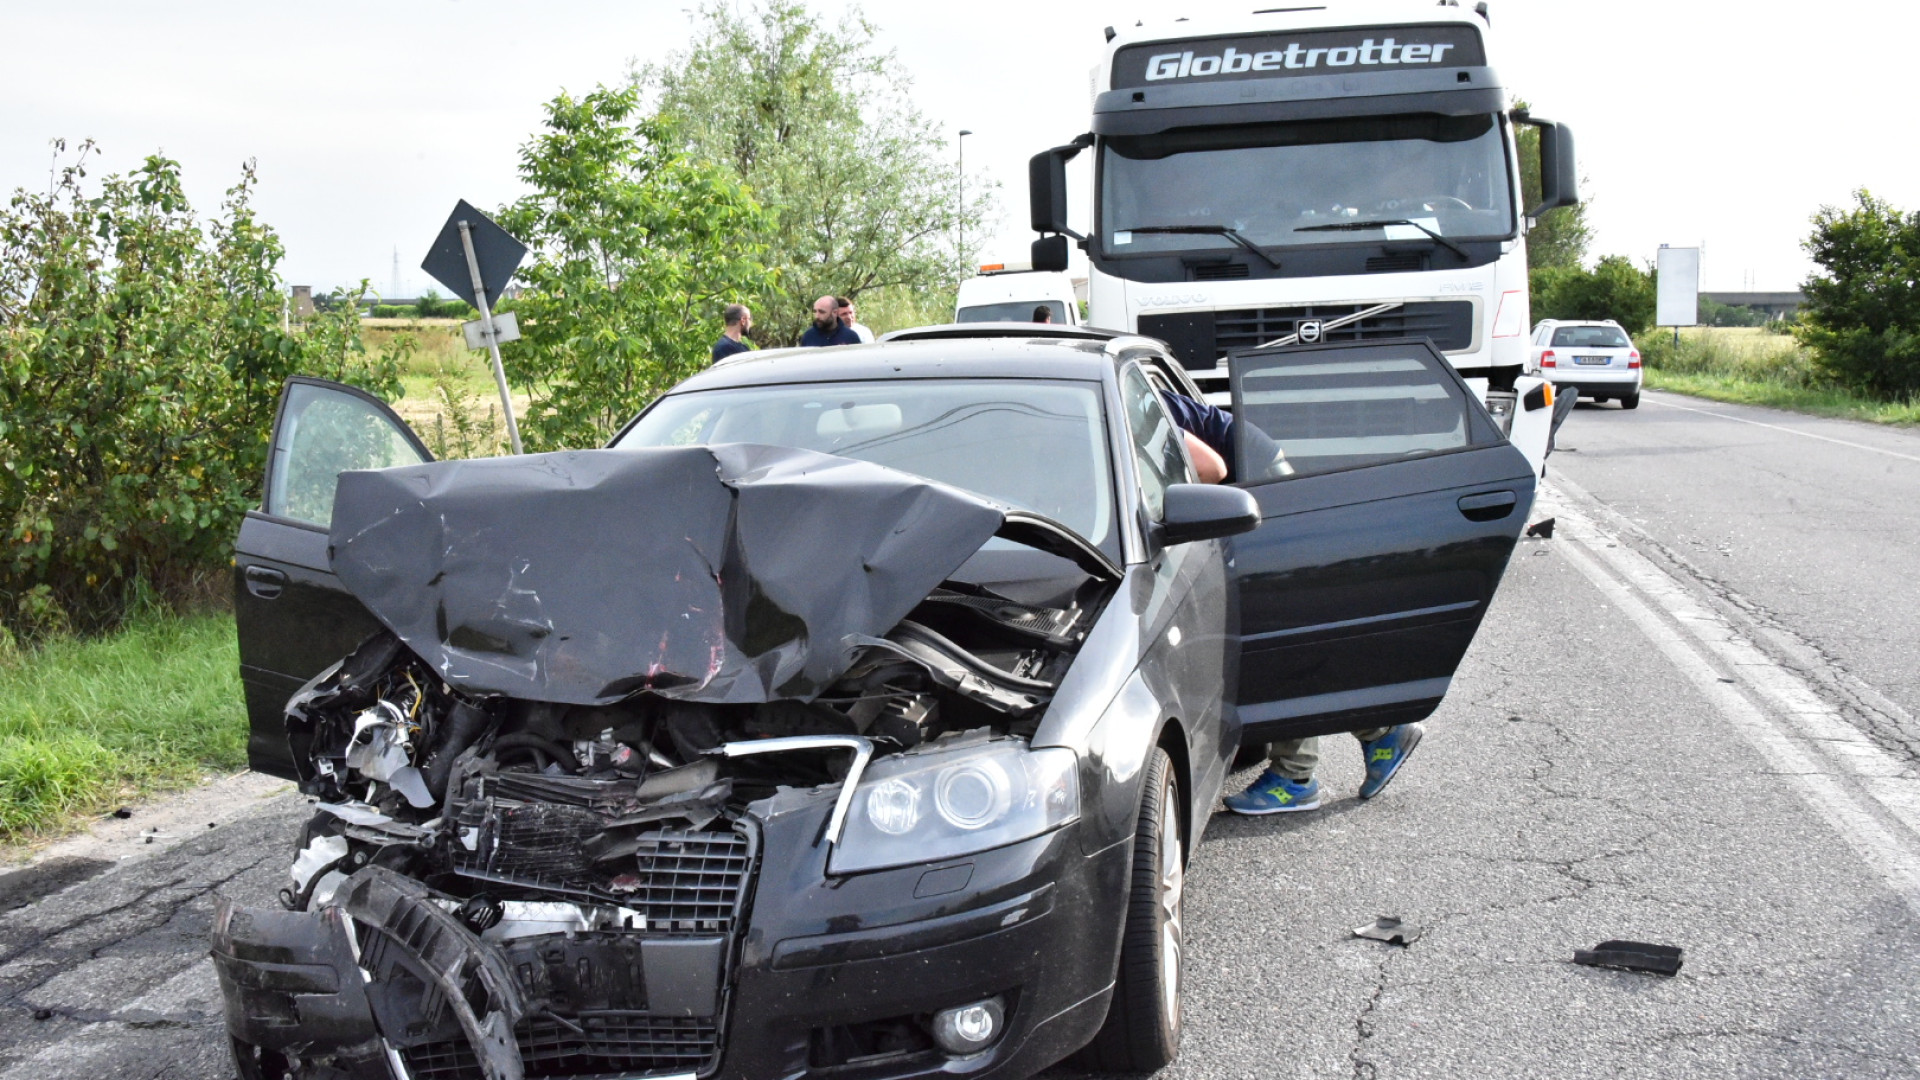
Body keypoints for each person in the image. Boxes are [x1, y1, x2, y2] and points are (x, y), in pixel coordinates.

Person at [1157, 388, 1426, 814]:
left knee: (1268, 637)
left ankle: (1295, 776)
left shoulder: (1135, 402)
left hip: (1262, 489)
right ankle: (1380, 732)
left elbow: (1210, 468)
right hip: (1255, 482)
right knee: (1271, 638)